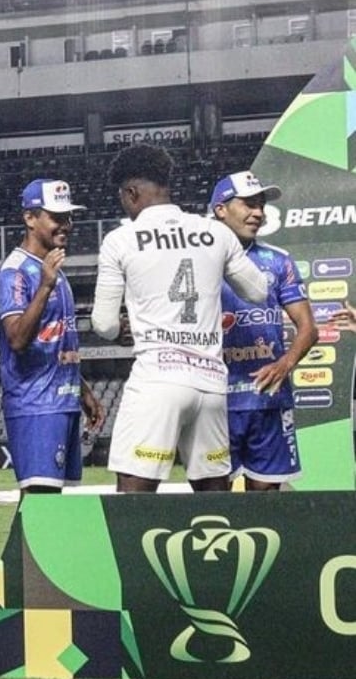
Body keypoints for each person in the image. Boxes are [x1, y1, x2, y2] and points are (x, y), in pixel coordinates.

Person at [91, 144, 269, 492]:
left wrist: (123, 331)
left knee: (134, 490)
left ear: (131, 193)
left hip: (158, 376)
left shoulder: (120, 240)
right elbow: (258, 290)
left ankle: (133, 549)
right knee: (213, 489)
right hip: (211, 380)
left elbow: (104, 323)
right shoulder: (216, 233)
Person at [0, 180, 105, 494]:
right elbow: (16, 338)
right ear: (30, 218)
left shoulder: (54, 270)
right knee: (40, 501)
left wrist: (83, 392)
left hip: (63, 402)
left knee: (58, 509)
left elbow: (60, 342)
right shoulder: (16, 271)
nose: (66, 225)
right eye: (57, 217)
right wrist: (44, 286)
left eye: (69, 217)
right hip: (36, 405)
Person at [210, 171, 315, 490]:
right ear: (220, 209)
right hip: (213, 401)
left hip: (267, 401)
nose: (259, 212)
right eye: (249, 204)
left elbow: (308, 328)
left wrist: (285, 365)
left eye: (261, 205)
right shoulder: (197, 260)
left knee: (267, 507)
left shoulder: (278, 260)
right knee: (210, 504)